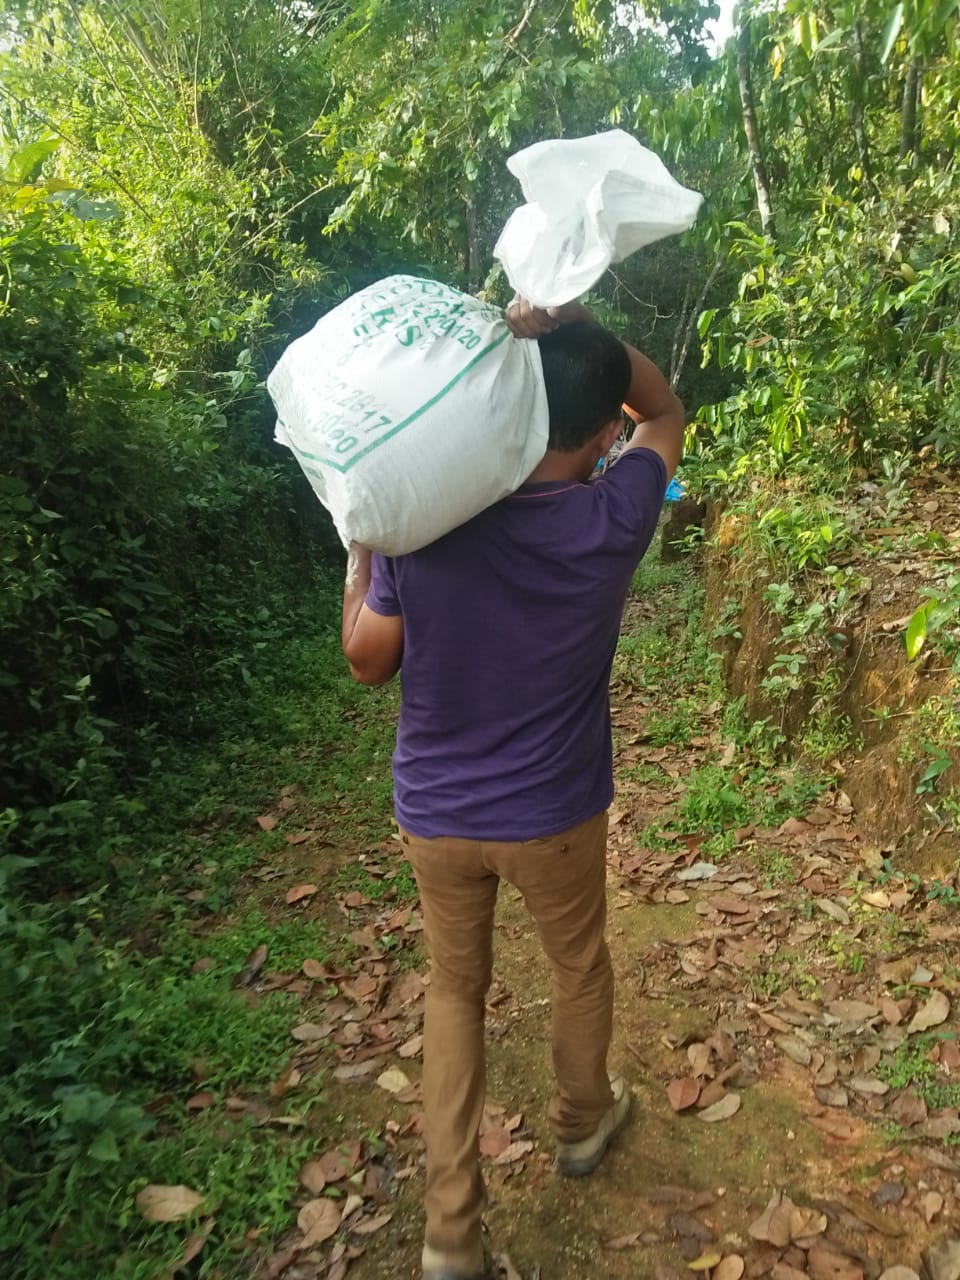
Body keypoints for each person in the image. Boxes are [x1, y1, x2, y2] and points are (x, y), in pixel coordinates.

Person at [341, 297, 684, 1280]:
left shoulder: (425, 515)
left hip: (436, 812)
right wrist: (585, 324)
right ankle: (582, 1121)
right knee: (577, 964)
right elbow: (665, 410)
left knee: (454, 990)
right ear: (605, 429)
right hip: (555, 813)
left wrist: (361, 555)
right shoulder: (614, 516)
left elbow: (367, 660)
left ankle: (451, 1233)